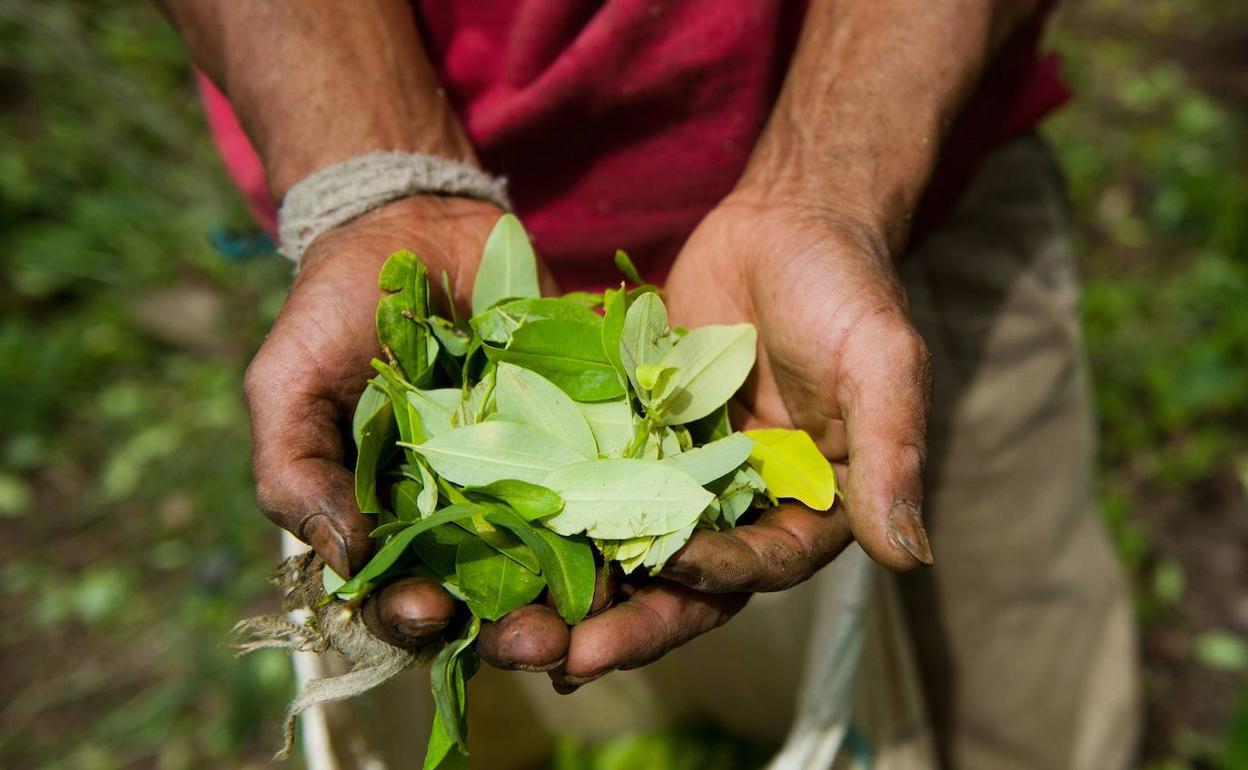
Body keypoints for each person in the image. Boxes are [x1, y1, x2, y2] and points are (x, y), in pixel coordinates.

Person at [160, 1, 1141, 767]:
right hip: (421, 245)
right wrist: (372, 181)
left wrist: (835, 183)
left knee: (1023, 701)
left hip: (916, 169)